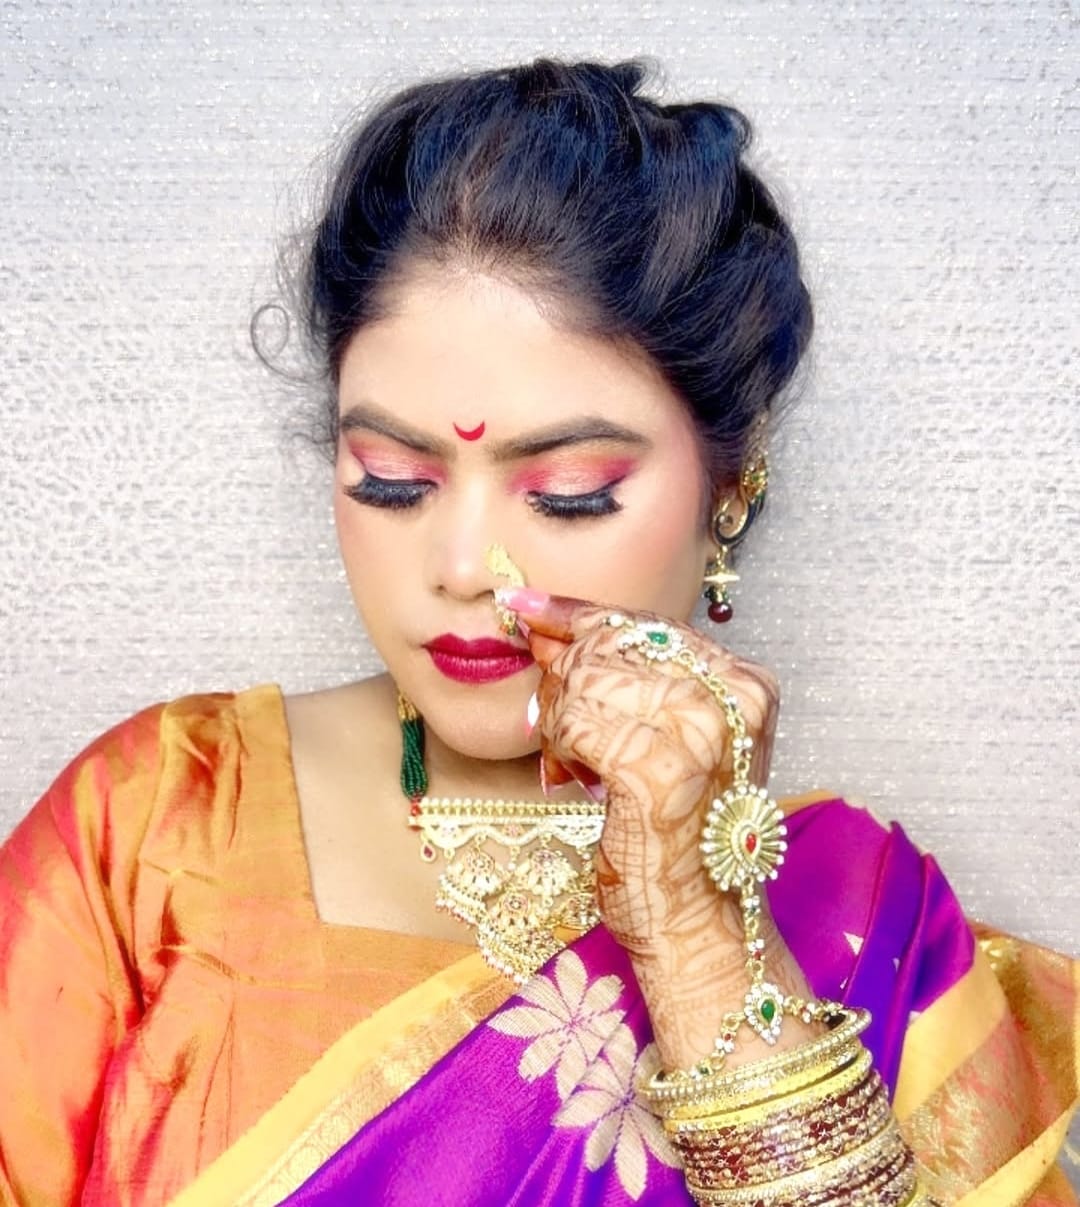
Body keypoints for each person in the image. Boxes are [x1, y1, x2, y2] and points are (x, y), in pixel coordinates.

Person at [0, 57, 1076, 1207]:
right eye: (391, 478)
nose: (465, 568)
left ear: (730, 484)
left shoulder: (860, 916)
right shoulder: (156, 829)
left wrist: (698, 934)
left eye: (568, 494)